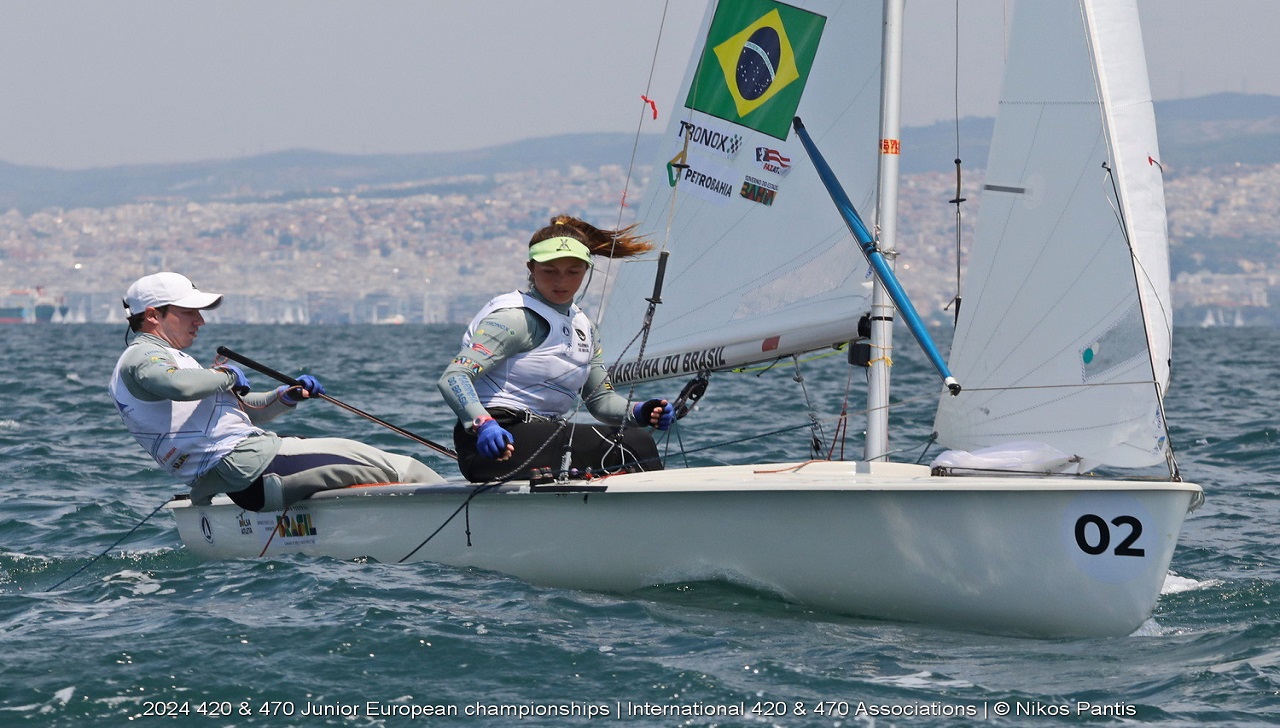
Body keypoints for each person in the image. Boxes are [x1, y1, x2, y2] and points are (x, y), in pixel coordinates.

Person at [109, 271, 443, 511]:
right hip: (251, 465)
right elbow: (178, 386)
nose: (200, 321)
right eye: (188, 313)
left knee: (382, 471)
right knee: (402, 469)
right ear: (153, 316)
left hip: (238, 475)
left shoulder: (170, 357)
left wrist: (284, 397)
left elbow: (240, 410)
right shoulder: (143, 356)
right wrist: (226, 374)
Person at [437, 215, 676, 482]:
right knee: (635, 444)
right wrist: (483, 424)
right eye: (550, 271)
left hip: (544, 438)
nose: (561, 281)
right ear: (531, 268)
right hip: (493, 442)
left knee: (633, 440)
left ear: (587, 271)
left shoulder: (585, 328)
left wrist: (642, 411)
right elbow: (454, 377)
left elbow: (601, 402)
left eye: (573, 272)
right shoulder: (515, 318)